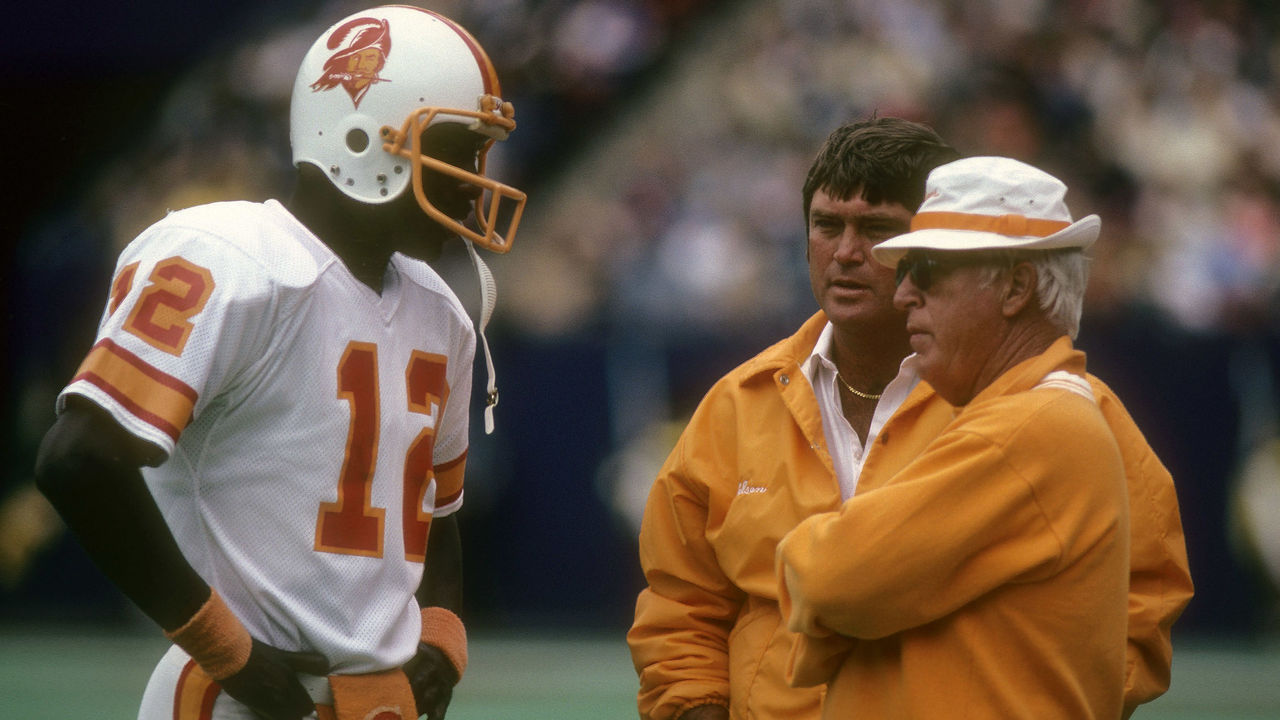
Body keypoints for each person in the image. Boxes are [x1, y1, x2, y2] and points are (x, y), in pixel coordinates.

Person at [33, 6, 526, 720]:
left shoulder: (439, 313)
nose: (474, 181)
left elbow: (436, 518)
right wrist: (227, 651)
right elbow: (77, 460)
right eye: (456, 151)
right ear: (362, 137)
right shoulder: (230, 259)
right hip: (236, 699)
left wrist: (442, 642)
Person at [627, 119, 1191, 720]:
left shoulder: (1051, 411)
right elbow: (680, 602)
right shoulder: (739, 402)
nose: (846, 252)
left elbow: (1142, 600)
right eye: (825, 226)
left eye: (880, 233)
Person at [777, 155, 1136, 717]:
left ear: (1018, 287)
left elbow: (826, 577)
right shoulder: (1037, 414)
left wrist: (836, 594)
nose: (903, 295)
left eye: (928, 271)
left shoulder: (1027, 426)